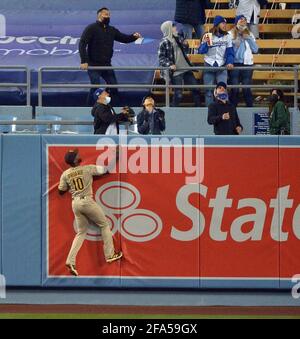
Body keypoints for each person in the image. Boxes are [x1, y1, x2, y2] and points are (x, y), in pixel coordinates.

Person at [58, 148, 122, 276]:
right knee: (104, 225)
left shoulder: (65, 174)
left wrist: (72, 185)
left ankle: (70, 260)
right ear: (75, 160)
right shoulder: (87, 168)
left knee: (81, 232)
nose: (79, 155)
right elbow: (106, 170)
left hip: (75, 203)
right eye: (77, 155)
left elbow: (61, 191)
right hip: (87, 201)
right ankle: (110, 254)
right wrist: (116, 156)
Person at [79, 7, 142, 106]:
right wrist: (84, 61)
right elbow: (82, 44)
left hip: (106, 64)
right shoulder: (91, 28)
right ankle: (89, 108)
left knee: (113, 86)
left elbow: (124, 38)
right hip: (93, 65)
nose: (108, 16)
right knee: (95, 85)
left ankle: (113, 108)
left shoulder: (112, 30)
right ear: (99, 15)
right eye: (105, 14)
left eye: (109, 14)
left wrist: (133, 37)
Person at [158, 21, 201, 107]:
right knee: (178, 94)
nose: (175, 28)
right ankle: (173, 110)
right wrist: (170, 64)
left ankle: (198, 108)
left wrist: (186, 44)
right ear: (169, 29)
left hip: (186, 67)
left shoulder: (178, 37)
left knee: (196, 89)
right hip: (176, 71)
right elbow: (161, 58)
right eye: (173, 26)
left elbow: (185, 49)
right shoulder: (163, 42)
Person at [198, 16, 234, 107]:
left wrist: (230, 62)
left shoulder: (228, 36)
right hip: (209, 64)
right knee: (209, 91)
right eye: (223, 23)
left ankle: (224, 111)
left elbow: (230, 52)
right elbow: (201, 51)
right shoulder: (208, 35)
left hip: (221, 65)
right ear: (217, 24)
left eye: (225, 23)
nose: (225, 25)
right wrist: (205, 43)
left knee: (223, 91)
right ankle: (210, 112)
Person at [229, 15, 259, 107]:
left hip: (247, 64)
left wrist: (248, 38)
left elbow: (255, 49)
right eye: (240, 20)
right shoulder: (230, 34)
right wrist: (237, 39)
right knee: (235, 89)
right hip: (235, 64)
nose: (243, 22)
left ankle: (249, 108)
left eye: (244, 20)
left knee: (246, 88)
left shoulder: (250, 34)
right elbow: (229, 50)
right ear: (236, 23)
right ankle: (232, 109)